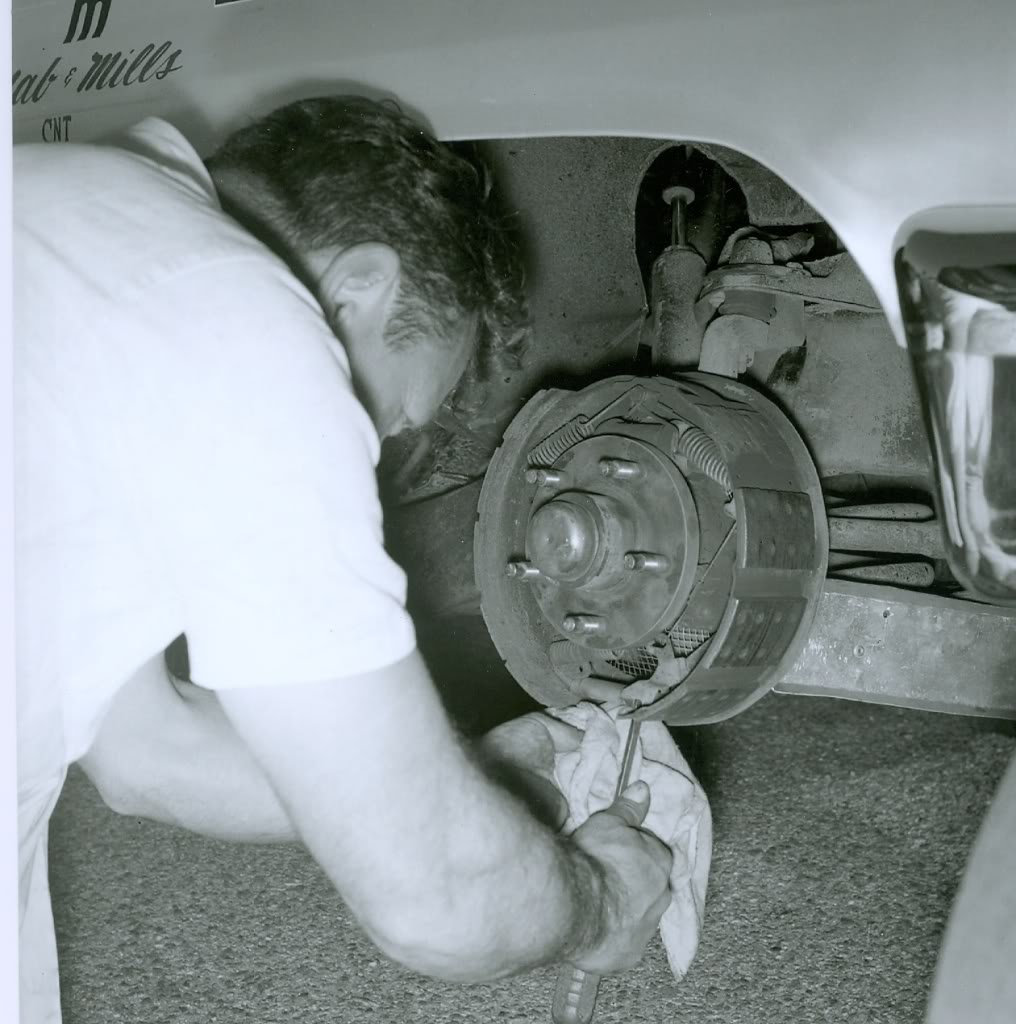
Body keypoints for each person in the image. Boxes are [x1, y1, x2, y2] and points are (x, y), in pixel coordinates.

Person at [14, 96, 673, 1023]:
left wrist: (460, 777)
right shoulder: (243, 320)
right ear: (354, 291)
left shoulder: (66, 213)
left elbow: (148, 753)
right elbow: (433, 897)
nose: (373, 448)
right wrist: (600, 903)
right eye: (388, 415)